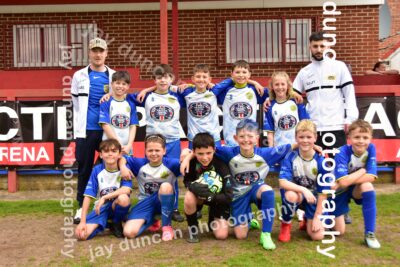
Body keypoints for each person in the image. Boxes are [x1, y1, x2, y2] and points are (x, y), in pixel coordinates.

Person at [181, 119, 300, 250]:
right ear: (235, 138)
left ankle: (266, 235)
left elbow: (291, 146)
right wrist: (187, 156)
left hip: (256, 189)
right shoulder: (229, 152)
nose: (246, 140)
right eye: (242, 136)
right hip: (238, 195)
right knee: (240, 235)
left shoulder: (266, 154)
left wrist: (313, 147)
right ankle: (248, 219)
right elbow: (205, 148)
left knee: (267, 191)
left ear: (257, 138)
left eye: (250, 136)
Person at [292, 31, 359, 224]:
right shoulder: (304, 72)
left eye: (322, 46)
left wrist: (351, 118)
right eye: (315, 46)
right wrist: (268, 101)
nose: (319, 50)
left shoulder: (339, 67)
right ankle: (310, 209)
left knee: (338, 169)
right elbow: (292, 95)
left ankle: (341, 209)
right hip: (314, 129)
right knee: (314, 170)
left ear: (328, 47)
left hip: (336, 125)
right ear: (310, 47)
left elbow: (349, 93)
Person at [71, 37, 116, 224]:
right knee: (84, 168)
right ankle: (82, 206)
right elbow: (75, 102)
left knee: (110, 168)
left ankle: (111, 206)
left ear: (106, 53)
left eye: (101, 51)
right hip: (86, 130)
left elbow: (122, 96)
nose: (98, 54)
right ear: (89, 53)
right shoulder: (79, 75)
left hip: (108, 130)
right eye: (94, 51)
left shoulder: (114, 75)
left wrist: (111, 94)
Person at [263, 71, 310, 228]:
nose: (280, 87)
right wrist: (272, 150)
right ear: (272, 86)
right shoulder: (270, 106)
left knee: (302, 178)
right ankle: (287, 211)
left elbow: (305, 124)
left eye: (283, 84)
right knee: (285, 182)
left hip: (299, 149)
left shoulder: (296, 102)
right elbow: (270, 131)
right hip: (283, 151)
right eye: (277, 84)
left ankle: (302, 211)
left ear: (288, 85)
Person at [120, 134, 181, 241]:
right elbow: (123, 158)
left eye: (157, 150)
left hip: (163, 200)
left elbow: (190, 158)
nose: (153, 153)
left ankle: (167, 227)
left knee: (166, 186)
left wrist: (186, 154)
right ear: (145, 151)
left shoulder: (172, 164)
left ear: (164, 151)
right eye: (150, 150)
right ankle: (152, 220)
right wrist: (122, 167)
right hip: (145, 203)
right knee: (128, 233)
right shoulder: (139, 163)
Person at [331, 119, 381, 249]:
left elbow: (371, 177)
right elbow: (342, 182)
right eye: (357, 137)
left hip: (353, 188)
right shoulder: (342, 151)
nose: (361, 141)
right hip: (339, 191)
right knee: (339, 231)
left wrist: (350, 179)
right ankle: (337, 213)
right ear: (349, 138)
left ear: (370, 138)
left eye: (365, 137)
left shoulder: (371, 149)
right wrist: (364, 170)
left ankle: (369, 233)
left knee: (367, 186)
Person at [278, 120, 329, 242]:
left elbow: (323, 192)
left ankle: (308, 218)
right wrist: (304, 190)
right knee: (290, 195)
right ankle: (286, 224)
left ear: (315, 138)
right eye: (301, 137)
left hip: (314, 199)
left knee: (317, 236)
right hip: (298, 195)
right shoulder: (290, 157)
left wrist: (317, 217)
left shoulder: (321, 161)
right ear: (296, 138)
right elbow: (282, 182)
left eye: (309, 137)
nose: (305, 140)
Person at [75, 139, 132, 240]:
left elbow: (127, 190)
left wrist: (104, 197)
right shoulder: (97, 170)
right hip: (101, 208)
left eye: (114, 151)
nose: (110, 154)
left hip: (116, 205)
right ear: (101, 155)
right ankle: (106, 224)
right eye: (106, 151)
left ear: (119, 155)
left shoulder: (124, 169)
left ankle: (116, 222)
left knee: (124, 198)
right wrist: (82, 221)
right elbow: (88, 196)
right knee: (81, 235)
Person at [183, 132, 233, 243]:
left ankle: (213, 216)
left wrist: (211, 197)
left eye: (208, 153)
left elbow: (229, 196)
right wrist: (192, 186)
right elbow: (186, 181)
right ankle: (193, 230)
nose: (205, 157)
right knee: (189, 196)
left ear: (214, 150)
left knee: (221, 235)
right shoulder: (191, 163)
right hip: (200, 198)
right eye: (200, 154)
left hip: (218, 200)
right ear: (194, 152)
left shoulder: (221, 164)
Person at [212, 60, 269, 146]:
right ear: (231, 74)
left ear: (249, 74)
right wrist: (252, 81)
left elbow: (276, 93)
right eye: (237, 72)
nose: (241, 75)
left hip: (250, 139)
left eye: (244, 72)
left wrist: (268, 98)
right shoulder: (225, 91)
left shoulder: (255, 90)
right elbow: (213, 91)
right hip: (231, 140)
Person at [99, 71, 139, 155]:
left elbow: (133, 126)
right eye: (118, 83)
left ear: (128, 86)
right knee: (111, 168)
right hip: (110, 147)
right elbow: (105, 125)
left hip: (127, 148)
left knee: (126, 168)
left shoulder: (130, 103)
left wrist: (129, 145)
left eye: (124, 84)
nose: (120, 86)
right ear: (112, 84)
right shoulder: (106, 102)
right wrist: (118, 144)